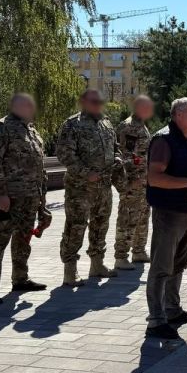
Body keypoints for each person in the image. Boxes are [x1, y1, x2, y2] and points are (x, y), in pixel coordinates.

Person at [144, 97, 187, 341]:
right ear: (179, 115)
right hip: (169, 213)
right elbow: (155, 178)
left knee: (179, 264)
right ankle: (156, 321)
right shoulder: (163, 139)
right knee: (161, 267)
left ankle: (172, 310)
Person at [0, 93, 51, 305]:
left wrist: (41, 202)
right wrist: (0, 194)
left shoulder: (32, 131)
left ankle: (20, 278)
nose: (31, 108)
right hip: (9, 198)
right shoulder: (0, 128)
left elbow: (40, 168)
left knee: (23, 239)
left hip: (30, 197)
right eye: (26, 105)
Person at [56, 89, 124, 286]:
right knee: (76, 227)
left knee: (101, 224)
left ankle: (97, 264)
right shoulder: (72, 124)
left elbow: (115, 147)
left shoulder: (106, 122)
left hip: (104, 185)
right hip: (80, 187)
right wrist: (86, 173)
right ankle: (70, 271)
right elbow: (64, 153)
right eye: (94, 101)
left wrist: (117, 157)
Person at [114, 95, 154, 269]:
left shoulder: (142, 126)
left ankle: (138, 250)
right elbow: (124, 155)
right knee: (128, 218)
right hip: (133, 182)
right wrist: (130, 180)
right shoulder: (128, 126)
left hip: (145, 181)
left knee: (143, 217)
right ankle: (121, 256)